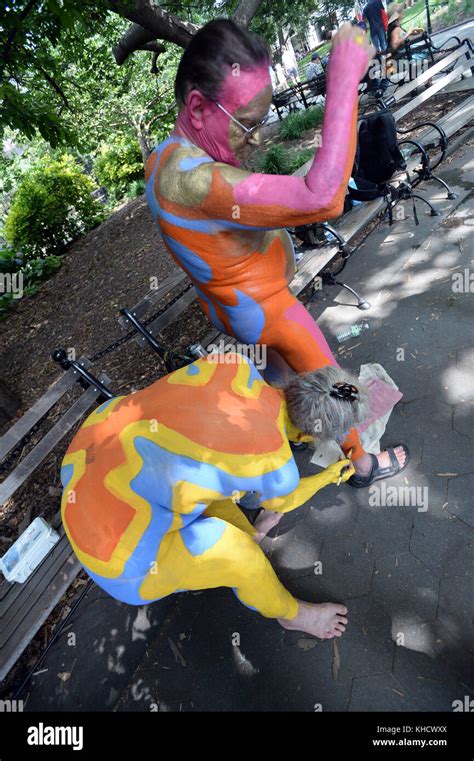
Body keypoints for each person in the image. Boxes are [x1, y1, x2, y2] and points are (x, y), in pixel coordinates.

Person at [145, 18, 409, 486]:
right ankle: (364, 464)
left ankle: (289, 443)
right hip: (266, 309)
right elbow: (322, 197)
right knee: (335, 386)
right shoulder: (193, 179)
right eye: (245, 125)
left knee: (286, 382)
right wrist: (344, 80)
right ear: (198, 106)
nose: (256, 139)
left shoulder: (164, 157)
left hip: (232, 308)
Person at [61, 353, 368, 638]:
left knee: (205, 476)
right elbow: (284, 500)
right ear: (307, 435)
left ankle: (251, 534)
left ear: (301, 381)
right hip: (120, 565)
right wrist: (329, 476)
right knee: (240, 555)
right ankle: (292, 615)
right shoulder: (274, 464)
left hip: (86, 466)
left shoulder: (233, 362)